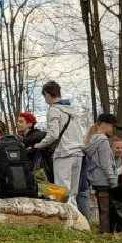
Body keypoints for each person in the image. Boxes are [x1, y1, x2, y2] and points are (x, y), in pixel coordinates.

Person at [40, 82, 86, 212]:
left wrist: (40, 145)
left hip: (64, 153)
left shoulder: (54, 109)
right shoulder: (72, 110)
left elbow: (53, 135)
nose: (45, 100)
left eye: (45, 97)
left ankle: (67, 222)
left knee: (62, 192)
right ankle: (78, 223)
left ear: (47, 94)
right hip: (78, 153)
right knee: (72, 194)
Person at [81, 114, 120, 233]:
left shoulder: (92, 140)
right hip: (104, 179)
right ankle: (105, 232)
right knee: (106, 209)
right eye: (112, 126)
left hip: (96, 178)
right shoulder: (103, 140)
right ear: (105, 125)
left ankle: (103, 230)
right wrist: (113, 181)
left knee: (103, 207)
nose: (113, 130)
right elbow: (106, 163)